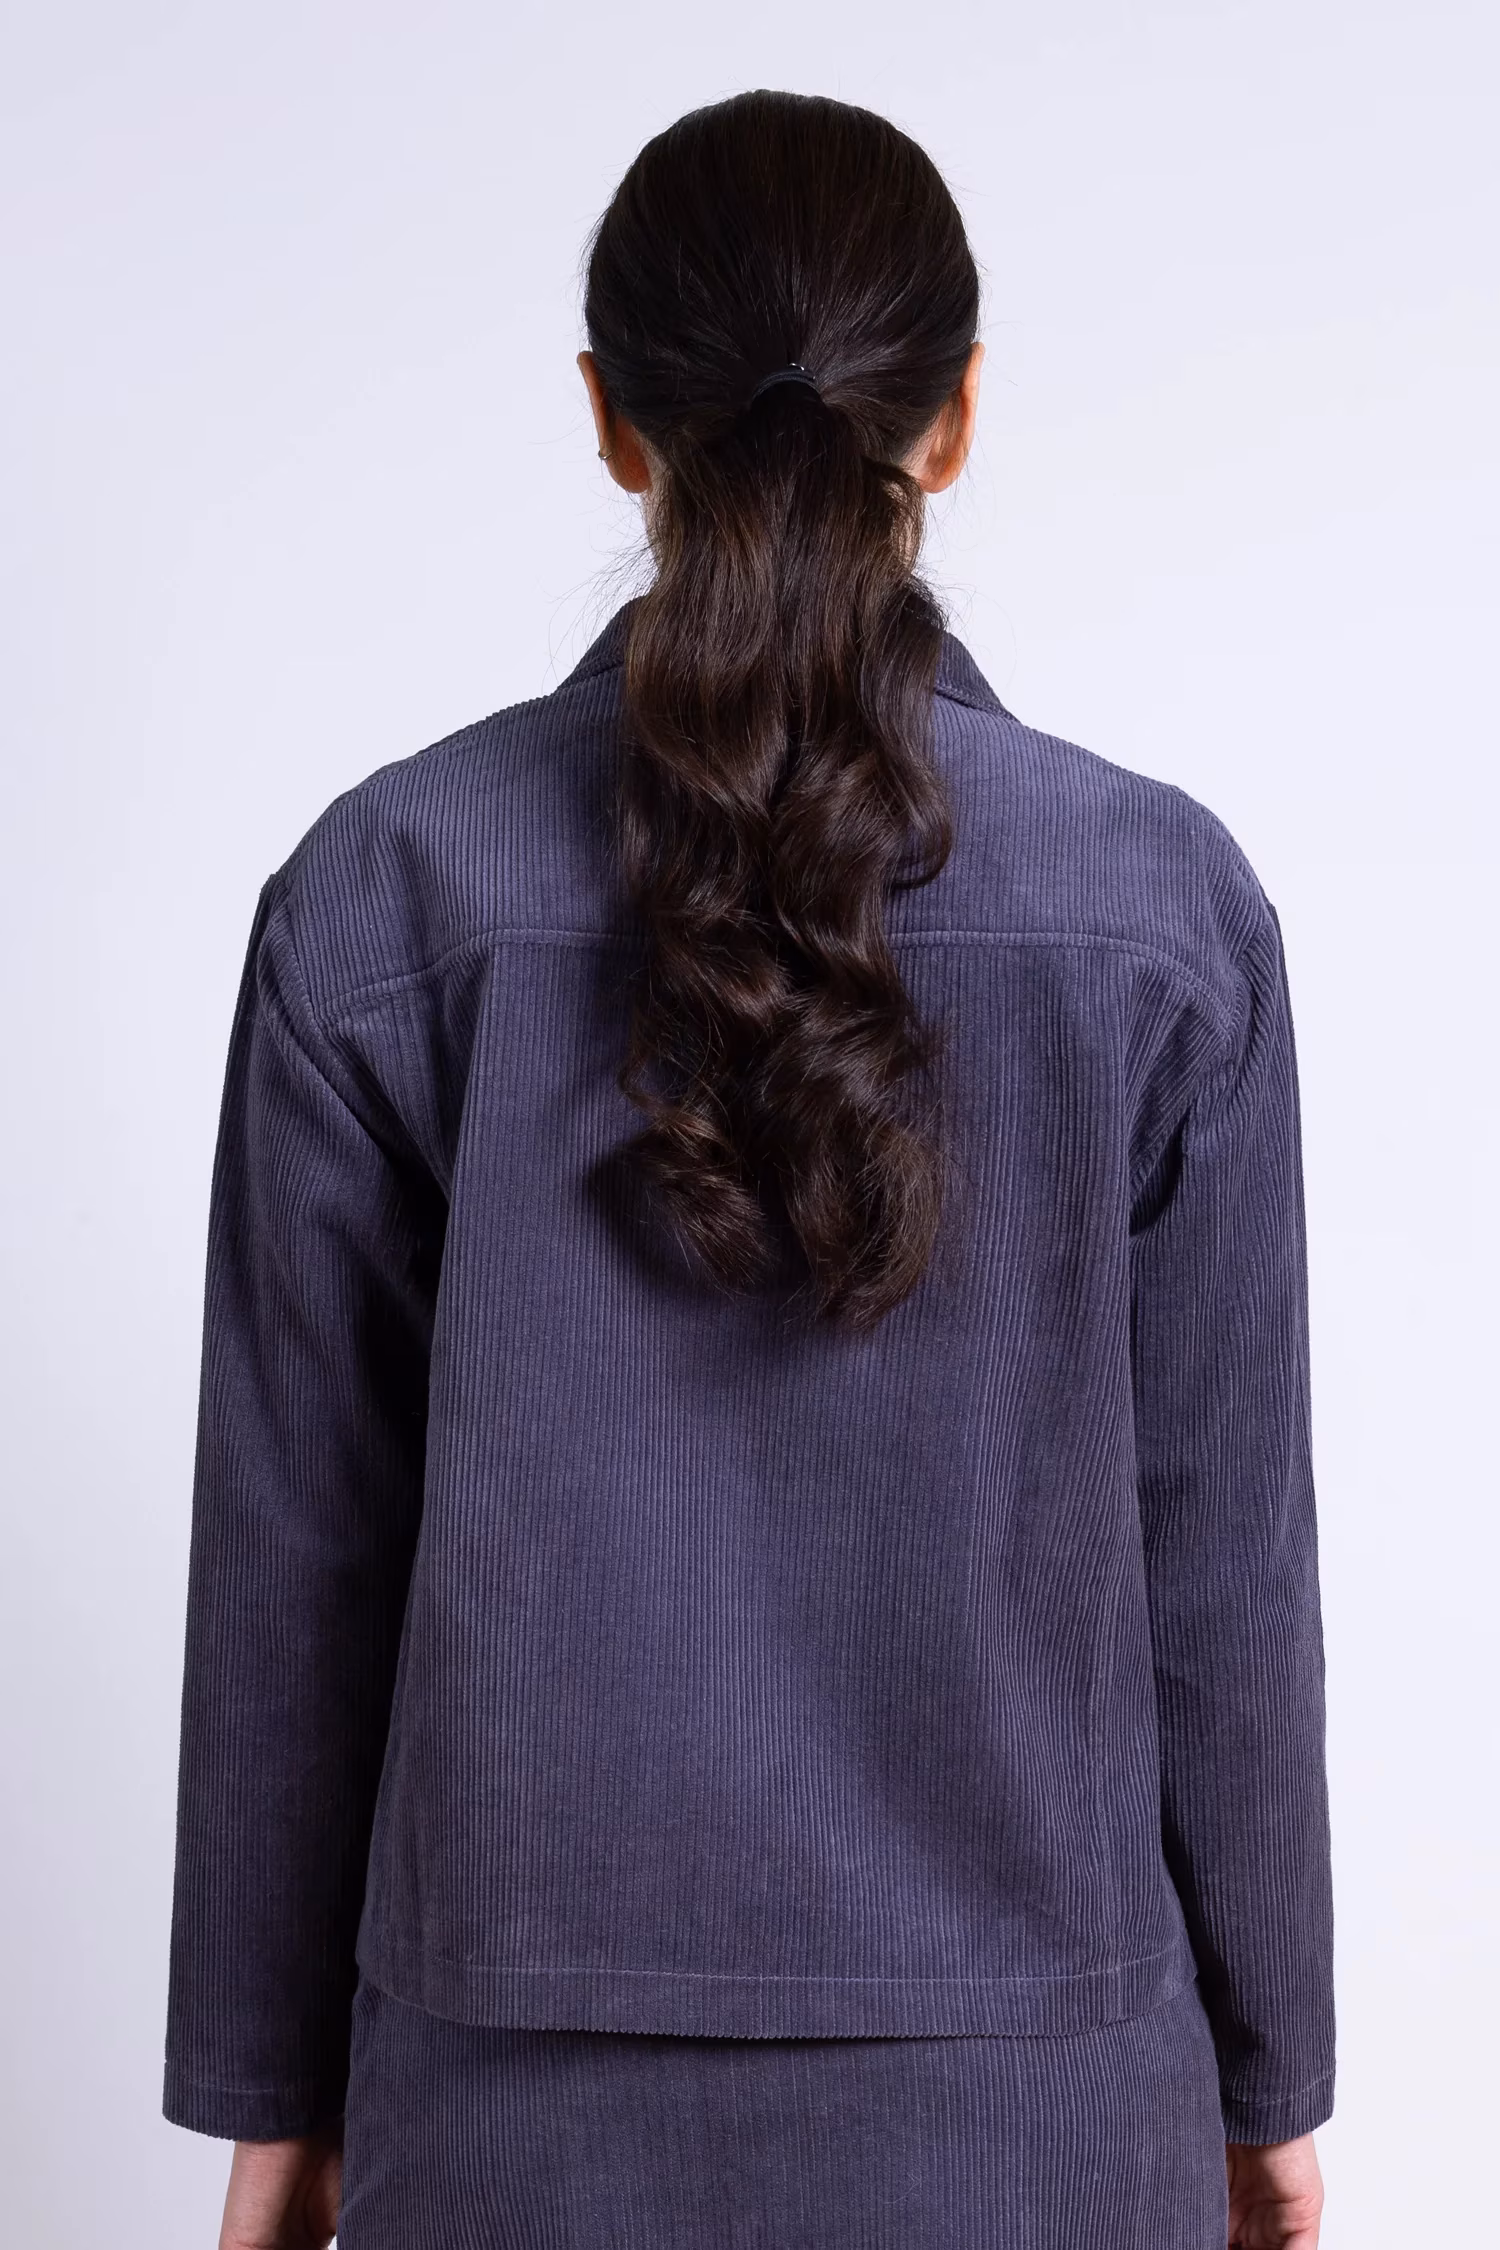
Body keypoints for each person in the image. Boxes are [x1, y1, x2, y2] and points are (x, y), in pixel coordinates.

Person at [164, 89, 1334, 2250]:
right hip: (1040, 2121)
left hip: (509, 2127)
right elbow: (1226, 1573)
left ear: (613, 419)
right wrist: (1270, 2084)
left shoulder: (381, 897)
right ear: (952, 421)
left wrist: (272, 2096)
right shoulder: (1166, 915)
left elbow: (299, 1560)